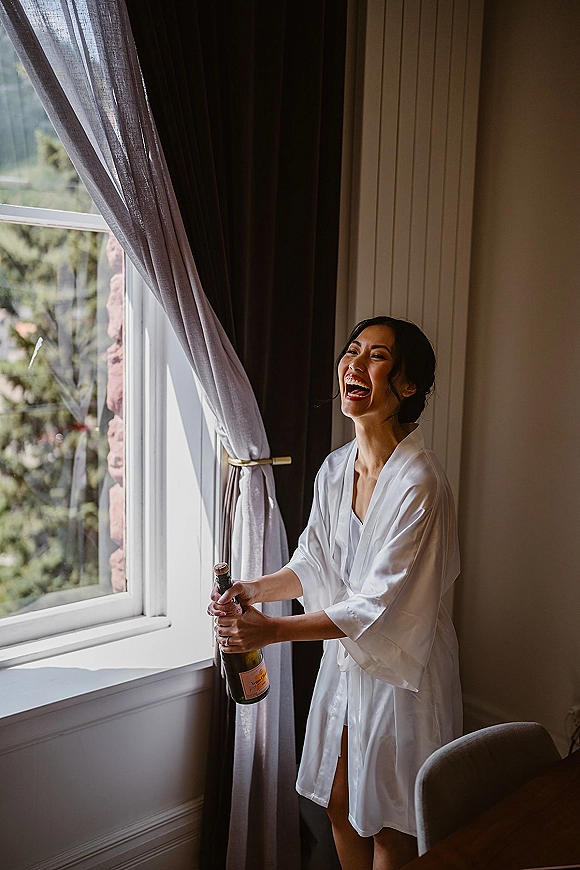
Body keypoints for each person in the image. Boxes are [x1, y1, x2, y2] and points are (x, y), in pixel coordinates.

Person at [209, 316, 462, 870]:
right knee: (340, 805)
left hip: (401, 668)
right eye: (352, 351)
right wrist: (255, 589)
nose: (354, 363)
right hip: (347, 659)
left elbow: (378, 605)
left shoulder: (420, 483)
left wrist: (272, 630)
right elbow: (314, 562)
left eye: (376, 356)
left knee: (392, 827)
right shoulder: (335, 468)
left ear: (407, 385)